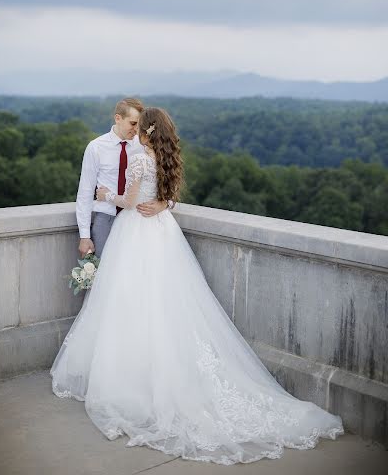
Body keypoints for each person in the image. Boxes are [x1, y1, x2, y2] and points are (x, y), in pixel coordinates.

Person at [50, 107, 344, 466]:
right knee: (164, 304)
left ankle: (134, 377)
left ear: (144, 129)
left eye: (138, 125)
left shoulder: (142, 160)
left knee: (130, 304)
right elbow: (169, 198)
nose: (135, 129)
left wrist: (106, 194)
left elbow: (128, 202)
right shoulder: (166, 159)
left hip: (134, 232)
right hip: (161, 232)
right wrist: (162, 204)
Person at [76, 97, 167, 258]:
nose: (137, 129)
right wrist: (84, 236)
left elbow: (166, 180)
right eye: (133, 124)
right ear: (118, 118)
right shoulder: (96, 147)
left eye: (139, 125)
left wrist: (164, 204)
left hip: (138, 222)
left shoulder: (145, 148)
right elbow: (85, 192)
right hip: (106, 219)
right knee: (103, 271)